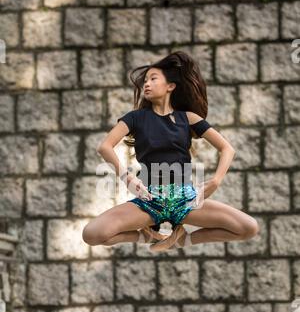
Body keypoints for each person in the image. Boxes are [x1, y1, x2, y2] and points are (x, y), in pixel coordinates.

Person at [82, 51, 259, 251]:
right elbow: (104, 147)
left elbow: (227, 148)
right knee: (92, 234)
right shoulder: (135, 118)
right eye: (145, 80)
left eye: (153, 79)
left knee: (248, 227)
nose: (146, 84)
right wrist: (128, 179)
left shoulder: (188, 118)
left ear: (170, 86)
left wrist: (215, 181)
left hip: (186, 200)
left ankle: (182, 239)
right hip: (149, 200)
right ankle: (147, 236)